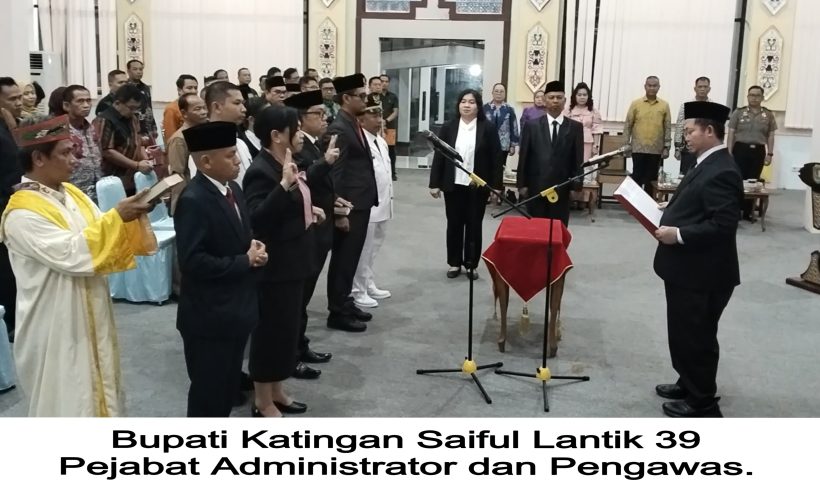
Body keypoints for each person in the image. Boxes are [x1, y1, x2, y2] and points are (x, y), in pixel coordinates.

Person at [0, 115, 155, 416]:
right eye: (65, 153)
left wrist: (131, 213)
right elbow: (72, 253)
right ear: (38, 158)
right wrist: (118, 217)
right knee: (68, 401)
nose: (75, 159)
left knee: (98, 388)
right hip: (56, 323)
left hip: (88, 306)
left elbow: (99, 228)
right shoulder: (22, 213)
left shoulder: (71, 193)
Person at [653, 101, 742, 418]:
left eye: (690, 131)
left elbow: (722, 225)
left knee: (697, 336)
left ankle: (702, 402)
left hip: (704, 274)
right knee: (683, 332)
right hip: (687, 269)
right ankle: (688, 382)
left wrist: (678, 234)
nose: (685, 137)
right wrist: (670, 210)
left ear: (709, 131)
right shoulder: (706, 161)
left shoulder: (723, 170)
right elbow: (698, 204)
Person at [175, 121, 266, 417]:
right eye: (230, 155)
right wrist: (244, 261)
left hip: (236, 310)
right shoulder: (194, 200)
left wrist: (254, 248)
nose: (238, 160)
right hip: (209, 318)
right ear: (205, 162)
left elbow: (238, 236)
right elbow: (192, 262)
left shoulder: (233, 190)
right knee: (208, 396)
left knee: (227, 391)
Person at [243, 106, 324, 417]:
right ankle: (262, 400)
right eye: (295, 129)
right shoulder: (261, 170)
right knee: (269, 334)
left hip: (295, 261)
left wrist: (309, 210)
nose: (301, 134)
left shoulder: (287, 163)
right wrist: (283, 186)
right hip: (275, 267)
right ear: (277, 135)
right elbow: (258, 217)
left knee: (286, 332)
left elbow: (289, 204)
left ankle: (277, 389)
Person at [286, 90, 337, 380]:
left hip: (320, 225)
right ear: (301, 119)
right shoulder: (298, 148)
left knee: (304, 295)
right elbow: (303, 183)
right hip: (307, 229)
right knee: (298, 297)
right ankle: (291, 353)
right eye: (317, 113)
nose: (324, 117)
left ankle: (300, 344)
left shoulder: (313, 144)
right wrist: (325, 162)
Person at [429, 89, 501, 279]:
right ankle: (454, 263)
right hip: (453, 184)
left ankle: (471, 264)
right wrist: (434, 183)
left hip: (477, 185)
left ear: (478, 106)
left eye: (471, 102)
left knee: (474, 225)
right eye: (463, 101)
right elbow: (439, 156)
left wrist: (496, 186)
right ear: (458, 105)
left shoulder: (488, 128)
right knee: (454, 224)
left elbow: (496, 158)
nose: (467, 105)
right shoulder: (449, 127)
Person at [326, 74, 378, 332]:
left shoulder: (352, 123)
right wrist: (340, 212)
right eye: (361, 96)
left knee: (352, 257)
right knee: (344, 259)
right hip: (350, 205)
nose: (365, 100)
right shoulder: (339, 128)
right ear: (346, 98)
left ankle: (346, 302)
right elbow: (336, 174)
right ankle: (337, 312)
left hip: (360, 202)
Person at [516, 80, 584, 225]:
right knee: (537, 229)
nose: (555, 101)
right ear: (545, 100)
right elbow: (524, 156)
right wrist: (521, 184)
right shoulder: (532, 126)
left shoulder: (575, 127)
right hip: (536, 186)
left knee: (558, 228)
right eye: (551, 97)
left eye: (559, 98)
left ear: (565, 101)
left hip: (562, 187)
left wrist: (577, 186)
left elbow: (578, 159)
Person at [352, 96, 393, 307]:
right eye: (373, 115)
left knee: (373, 248)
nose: (379, 119)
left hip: (383, 204)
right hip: (367, 205)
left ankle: (368, 283)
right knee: (362, 250)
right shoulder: (359, 141)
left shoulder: (381, 141)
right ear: (360, 119)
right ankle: (357, 290)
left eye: (380, 114)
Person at [93, 84, 154, 195]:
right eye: (131, 108)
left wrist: (145, 160)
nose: (134, 111)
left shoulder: (132, 118)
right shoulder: (105, 120)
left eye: (136, 108)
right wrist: (136, 165)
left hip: (131, 177)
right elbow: (107, 151)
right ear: (117, 103)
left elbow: (137, 141)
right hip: (112, 178)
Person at [727, 85, 777, 221]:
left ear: (762, 97)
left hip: (758, 151)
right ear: (748, 96)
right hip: (740, 150)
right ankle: (735, 210)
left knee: (753, 182)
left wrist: (770, 153)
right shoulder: (738, 112)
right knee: (737, 180)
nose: (754, 98)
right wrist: (729, 151)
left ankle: (748, 212)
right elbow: (731, 133)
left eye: (757, 95)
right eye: (751, 95)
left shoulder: (768, 115)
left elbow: (771, 135)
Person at [189, 82, 250, 186]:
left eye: (243, 103)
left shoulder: (241, 143)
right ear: (217, 107)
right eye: (237, 103)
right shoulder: (203, 149)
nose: (244, 109)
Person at [0, 77, 24, 340]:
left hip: (14, 204)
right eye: (13, 99)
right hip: (3, 206)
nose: (20, 102)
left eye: (20, 97)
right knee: (5, 270)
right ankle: (8, 324)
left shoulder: (12, 126)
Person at [623, 76, 672, 193]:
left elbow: (667, 127)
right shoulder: (636, 104)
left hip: (656, 149)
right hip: (638, 148)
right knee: (637, 177)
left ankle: (648, 203)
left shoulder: (664, 105)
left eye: (655, 86)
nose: (652, 88)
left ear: (659, 87)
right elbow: (628, 124)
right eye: (649, 85)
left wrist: (667, 147)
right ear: (645, 86)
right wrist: (626, 144)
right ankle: (635, 202)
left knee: (651, 180)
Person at [166, 92, 208, 214]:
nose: (204, 112)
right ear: (184, 113)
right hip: (191, 195)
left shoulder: (205, 131)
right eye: (198, 109)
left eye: (204, 107)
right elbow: (178, 175)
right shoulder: (179, 139)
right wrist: (185, 203)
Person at [63, 85, 103, 203]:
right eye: (80, 101)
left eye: (88, 100)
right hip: (73, 193)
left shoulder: (91, 128)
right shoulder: (61, 132)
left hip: (97, 191)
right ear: (67, 106)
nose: (86, 105)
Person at [564, 82, 603, 203]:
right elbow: (563, 127)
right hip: (570, 142)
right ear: (575, 96)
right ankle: (570, 197)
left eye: (585, 95)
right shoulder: (568, 110)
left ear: (588, 96)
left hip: (587, 142)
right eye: (579, 94)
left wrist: (596, 145)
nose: (582, 97)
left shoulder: (593, 111)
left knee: (585, 167)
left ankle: (583, 200)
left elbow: (597, 129)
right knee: (571, 166)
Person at [484, 83, 519, 205]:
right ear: (492, 93)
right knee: (487, 168)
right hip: (487, 144)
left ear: (505, 94)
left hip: (503, 144)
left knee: (500, 169)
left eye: (501, 91)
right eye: (497, 91)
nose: (499, 93)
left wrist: (513, 145)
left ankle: (499, 194)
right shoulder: (485, 108)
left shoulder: (509, 109)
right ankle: (486, 194)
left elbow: (514, 127)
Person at [675, 77, 711, 175]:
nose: (702, 89)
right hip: (689, 146)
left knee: (704, 175)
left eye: (705, 87)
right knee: (686, 175)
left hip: (706, 148)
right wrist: (677, 148)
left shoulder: (713, 106)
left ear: (709, 89)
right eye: (700, 87)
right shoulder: (687, 105)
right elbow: (679, 126)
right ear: (695, 88)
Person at [126, 59, 159, 141]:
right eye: (135, 69)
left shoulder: (146, 88)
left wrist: (154, 128)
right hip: (132, 129)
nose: (139, 72)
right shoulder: (124, 88)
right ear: (128, 71)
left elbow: (149, 108)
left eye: (141, 69)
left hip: (147, 129)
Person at [162, 74, 199, 141]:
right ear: (179, 90)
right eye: (189, 88)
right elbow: (170, 137)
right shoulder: (171, 109)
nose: (194, 91)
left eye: (195, 88)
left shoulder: (199, 106)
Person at [379, 74, 399, 180]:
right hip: (376, 127)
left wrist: (386, 121)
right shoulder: (374, 96)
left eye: (386, 81)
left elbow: (395, 112)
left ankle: (392, 173)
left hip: (390, 127)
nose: (384, 84)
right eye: (382, 81)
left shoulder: (393, 96)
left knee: (391, 150)